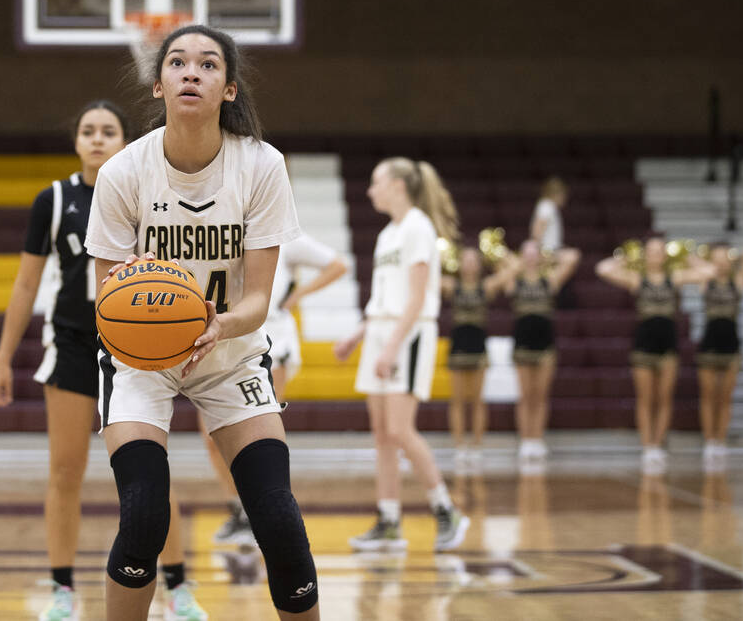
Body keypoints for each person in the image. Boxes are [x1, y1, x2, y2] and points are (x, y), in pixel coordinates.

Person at [85, 25, 320, 620]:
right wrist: (132, 295)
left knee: (279, 521)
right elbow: (106, 304)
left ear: (230, 88)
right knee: (144, 514)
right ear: (159, 84)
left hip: (229, 353)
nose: (192, 72)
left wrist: (217, 326)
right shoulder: (122, 173)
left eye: (208, 64)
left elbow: (258, 302)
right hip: (142, 362)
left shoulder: (262, 166)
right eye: (179, 63)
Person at [0, 100, 208, 621]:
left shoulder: (147, 190)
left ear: (123, 140)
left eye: (107, 131)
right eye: (87, 130)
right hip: (72, 343)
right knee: (65, 471)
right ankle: (62, 589)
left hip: (136, 349)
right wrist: (2, 358)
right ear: (76, 142)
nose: (96, 138)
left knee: (152, 475)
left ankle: (177, 585)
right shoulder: (54, 199)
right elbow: (25, 283)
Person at [333, 157, 470, 554]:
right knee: (382, 435)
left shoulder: (418, 229)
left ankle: (447, 511)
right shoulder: (388, 233)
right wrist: (359, 335)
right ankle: (389, 521)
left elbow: (416, 297)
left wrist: (392, 344)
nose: (370, 191)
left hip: (407, 334)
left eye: (376, 183)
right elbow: (383, 298)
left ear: (396, 184)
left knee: (400, 428)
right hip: (381, 331)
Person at [210, 231, 348, 545]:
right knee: (212, 436)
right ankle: (240, 510)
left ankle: (266, 513)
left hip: (274, 338)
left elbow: (338, 265)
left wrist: (298, 295)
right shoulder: (223, 228)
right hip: (231, 338)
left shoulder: (285, 237)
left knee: (260, 433)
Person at [596, 238, 712, 473]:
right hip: (644, 342)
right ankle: (647, 446)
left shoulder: (675, 278)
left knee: (664, 397)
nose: (656, 255)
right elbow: (603, 269)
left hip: (668, 342)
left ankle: (659, 445)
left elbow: (707, 271)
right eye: (651, 251)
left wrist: (683, 255)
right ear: (645, 254)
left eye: (660, 251)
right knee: (645, 398)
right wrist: (629, 257)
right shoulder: (637, 279)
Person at [503, 241, 580, 464]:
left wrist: (549, 258)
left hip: (545, 341)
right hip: (522, 340)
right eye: (526, 253)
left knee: (540, 395)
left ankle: (537, 439)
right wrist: (517, 263)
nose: (530, 258)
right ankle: (525, 440)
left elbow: (573, 256)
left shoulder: (550, 279)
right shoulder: (514, 278)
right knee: (525, 395)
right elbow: (499, 262)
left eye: (534, 254)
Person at [440, 246, 517, 468]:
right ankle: (459, 445)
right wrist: (441, 257)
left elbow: (513, 269)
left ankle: (476, 444)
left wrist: (497, 255)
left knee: (477, 399)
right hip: (458, 342)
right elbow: (428, 278)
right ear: (459, 263)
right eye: (466, 260)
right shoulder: (451, 285)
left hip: (478, 342)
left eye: (474, 260)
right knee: (457, 399)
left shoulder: (487, 286)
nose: (470, 264)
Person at [693, 244, 743, 465]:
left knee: (725, 397)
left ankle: (720, 440)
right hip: (709, 343)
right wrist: (709, 262)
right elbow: (691, 261)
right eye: (716, 259)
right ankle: (709, 440)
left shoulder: (737, 282)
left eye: (724, 259)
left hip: (731, 344)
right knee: (709, 396)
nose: (721, 263)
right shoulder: (706, 281)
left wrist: (736, 257)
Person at [529, 177, 568, 252]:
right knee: (573, 255)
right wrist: (538, 248)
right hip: (547, 250)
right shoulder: (547, 205)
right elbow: (537, 229)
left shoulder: (550, 206)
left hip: (551, 249)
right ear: (557, 194)